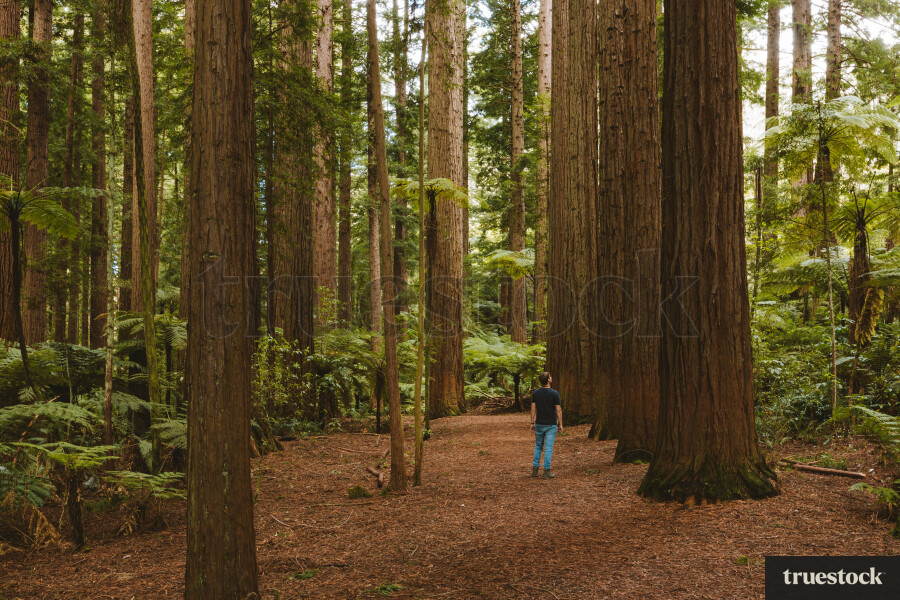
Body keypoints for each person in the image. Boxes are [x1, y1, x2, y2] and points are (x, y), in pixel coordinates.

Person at [530, 371, 562, 479]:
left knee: (538, 446)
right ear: (548, 379)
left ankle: (535, 470)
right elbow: (558, 410)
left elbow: (533, 409)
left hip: (539, 423)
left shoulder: (536, 393)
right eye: (550, 376)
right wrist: (560, 424)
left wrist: (532, 422)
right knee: (548, 448)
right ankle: (546, 472)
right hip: (551, 424)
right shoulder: (555, 393)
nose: (551, 377)